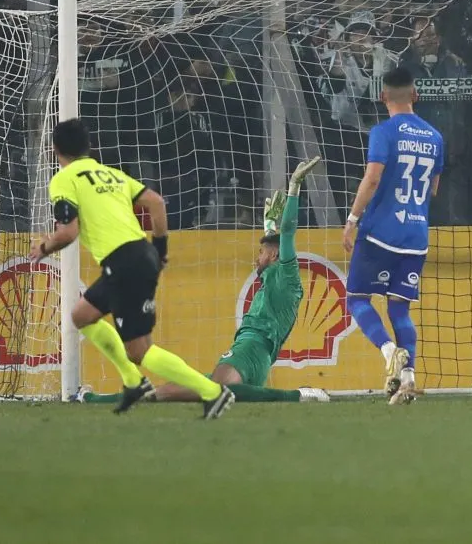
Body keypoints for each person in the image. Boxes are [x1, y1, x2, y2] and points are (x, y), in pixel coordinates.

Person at [28, 118, 235, 420]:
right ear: (89, 147)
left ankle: (211, 391)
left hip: (124, 262)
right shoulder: (111, 174)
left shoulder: (64, 179)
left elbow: (68, 233)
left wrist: (43, 247)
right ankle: (133, 381)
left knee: (139, 350)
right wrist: (160, 250)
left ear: (54, 150)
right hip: (139, 255)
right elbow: (157, 203)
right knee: (82, 315)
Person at [78, 160, 331, 406]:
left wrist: (294, 187)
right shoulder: (276, 278)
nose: (257, 257)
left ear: (275, 255)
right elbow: (276, 238)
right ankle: (91, 399)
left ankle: (298, 395)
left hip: (251, 346)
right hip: (260, 355)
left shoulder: (287, 273)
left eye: (262, 252)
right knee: (163, 393)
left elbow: (287, 232)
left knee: (220, 390)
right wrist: (268, 225)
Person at [343, 66, 444, 405]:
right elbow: (433, 189)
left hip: (380, 233)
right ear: (415, 95)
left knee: (357, 298)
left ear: (382, 96)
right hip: (416, 235)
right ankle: (409, 380)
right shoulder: (435, 137)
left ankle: (389, 353)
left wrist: (353, 219)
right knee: (400, 311)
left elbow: (372, 179)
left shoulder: (383, 132)